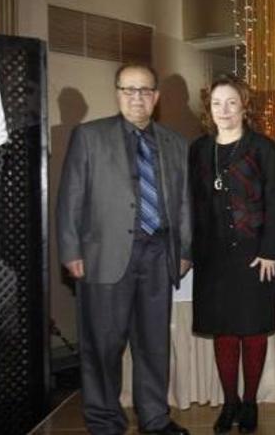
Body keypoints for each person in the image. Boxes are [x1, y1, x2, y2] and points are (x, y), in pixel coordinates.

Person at [57, 63, 192, 435]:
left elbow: (183, 202)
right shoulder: (89, 136)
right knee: (102, 344)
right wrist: (71, 252)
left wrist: (185, 250)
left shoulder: (175, 142)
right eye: (129, 90)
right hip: (104, 257)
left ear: (156, 97)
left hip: (158, 255)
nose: (138, 98)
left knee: (154, 345)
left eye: (145, 91)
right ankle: (104, 421)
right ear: (117, 93)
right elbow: (70, 197)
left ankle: (155, 418)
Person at [189, 74, 275, 434]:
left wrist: (271, 250)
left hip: (255, 255)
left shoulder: (264, 148)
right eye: (217, 103)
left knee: (253, 331)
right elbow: (193, 204)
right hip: (212, 257)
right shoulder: (198, 149)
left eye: (231, 102)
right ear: (208, 108)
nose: (224, 110)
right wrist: (189, 251)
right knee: (224, 332)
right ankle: (229, 403)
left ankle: (249, 403)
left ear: (245, 106)